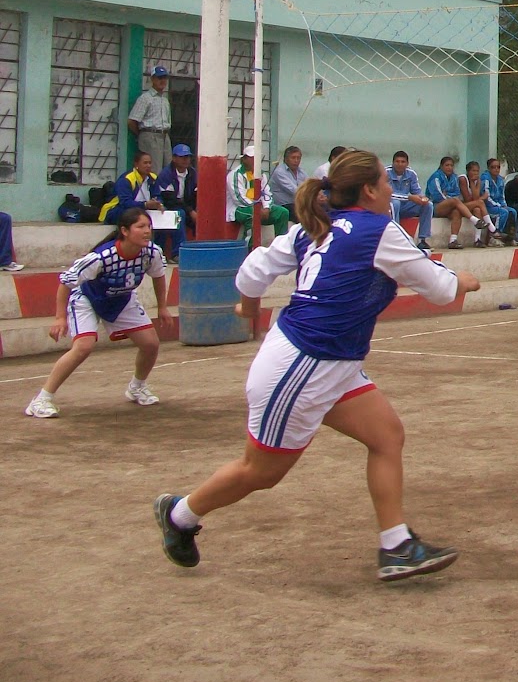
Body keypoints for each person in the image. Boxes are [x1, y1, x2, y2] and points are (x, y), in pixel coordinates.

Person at [152, 150, 483, 581]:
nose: (391, 188)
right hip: (304, 364)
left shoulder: (315, 226)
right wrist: (462, 281)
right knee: (261, 472)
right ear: (369, 190)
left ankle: (396, 545)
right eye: (385, 181)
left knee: (386, 436)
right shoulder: (377, 229)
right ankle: (179, 515)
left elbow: (252, 271)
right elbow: (439, 290)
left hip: (328, 362)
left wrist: (249, 308)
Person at [24, 207, 172, 418]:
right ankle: (41, 399)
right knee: (83, 347)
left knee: (150, 344)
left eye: (149, 226)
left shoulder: (152, 253)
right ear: (125, 231)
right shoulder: (101, 257)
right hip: (88, 299)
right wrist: (59, 318)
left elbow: (158, 277)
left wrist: (162, 307)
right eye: (140, 226)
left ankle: (137, 387)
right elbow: (65, 283)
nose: (147, 231)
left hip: (121, 299)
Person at [229, 145, 292, 241]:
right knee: (253, 215)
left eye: (257, 158)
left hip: (259, 207)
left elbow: (267, 193)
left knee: (283, 213)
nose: (255, 161)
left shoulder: (260, 174)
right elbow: (239, 199)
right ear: (244, 159)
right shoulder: (235, 174)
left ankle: (281, 243)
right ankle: (249, 245)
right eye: (252, 158)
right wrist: (257, 208)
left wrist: (266, 207)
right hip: (239, 208)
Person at [426, 156, 478, 250]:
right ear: (441, 166)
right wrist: (449, 200)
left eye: (451, 165)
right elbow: (436, 195)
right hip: (435, 206)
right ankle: (475, 220)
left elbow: (456, 193)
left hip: (449, 206)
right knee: (454, 201)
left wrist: (448, 197)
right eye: (447, 165)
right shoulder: (436, 177)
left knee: (456, 212)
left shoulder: (454, 177)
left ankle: (453, 240)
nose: (449, 167)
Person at [386, 151, 434, 250]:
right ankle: (396, 239)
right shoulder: (385, 173)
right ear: (393, 163)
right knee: (395, 203)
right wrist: (409, 197)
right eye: (397, 161)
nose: (400, 164)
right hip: (389, 207)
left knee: (428, 205)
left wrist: (422, 198)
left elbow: (417, 191)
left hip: (405, 206)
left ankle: (422, 240)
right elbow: (389, 194)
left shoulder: (411, 174)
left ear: (407, 163)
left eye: (403, 162)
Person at [126, 65, 173, 166]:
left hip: (165, 136)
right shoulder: (145, 98)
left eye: (164, 78)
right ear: (153, 79)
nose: (163, 81)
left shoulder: (165, 100)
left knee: (168, 168)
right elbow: (131, 121)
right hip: (150, 135)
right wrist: (143, 135)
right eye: (159, 78)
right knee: (154, 168)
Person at [156, 144, 199, 241]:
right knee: (180, 214)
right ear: (174, 158)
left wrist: (196, 209)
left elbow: (196, 193)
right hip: (169, 206)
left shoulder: (192, 173)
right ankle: (178, 248)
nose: (186, 160)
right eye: (182, 157)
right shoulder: (166, 174)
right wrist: (190, 211)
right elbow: (170, 199)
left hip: (186, 206)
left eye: (188, 157)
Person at [458, 162, 496, 246]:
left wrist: (475, 183)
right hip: (460, 205)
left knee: (477, 209)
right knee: (480, 202)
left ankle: (477, 240)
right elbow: (467, 199)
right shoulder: (463, 179)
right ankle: (492, 228)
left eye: (477, 171)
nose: (475, 173)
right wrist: (481, 197)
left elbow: (475, 198)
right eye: (473, 171)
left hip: (470, 205)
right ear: (468, 171)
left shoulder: (478, 180)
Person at [269, 146, 309, 222]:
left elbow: (309, 185)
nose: (296, 160)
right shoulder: (279, 172)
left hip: (297, 204)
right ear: (286, 159)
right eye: (293, 158)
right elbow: (295, 191)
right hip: (283, 206)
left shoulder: (301, 172)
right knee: (305, 215)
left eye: (298, 158)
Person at [482, 158, 515, 245]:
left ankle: (508, 237)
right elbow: (487, 196)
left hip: (498, 205)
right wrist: (498, 205)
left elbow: (502, 196)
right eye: (493, 167)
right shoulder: (485, 178)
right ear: (489, 168)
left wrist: (504, 204)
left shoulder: (500, 179)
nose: (496, 169)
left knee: (512, 211)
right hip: (488, 206)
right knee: (503, 212)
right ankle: (494, 236)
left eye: (498, 167)